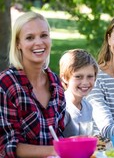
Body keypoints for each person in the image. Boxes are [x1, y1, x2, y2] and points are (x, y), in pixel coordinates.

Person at [0, 12, 66, 158]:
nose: (39, 42)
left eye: (44, 35)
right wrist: (56, 150)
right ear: (18, 44)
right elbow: (6, 146)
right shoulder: (6, 84)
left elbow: (60, 132)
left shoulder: (55, 83)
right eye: (30, 37)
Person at [59, 49, 98, 137]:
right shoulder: (62, 107)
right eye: (78, 77)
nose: (85, 82)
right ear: (65, 77)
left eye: (90, 76)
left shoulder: (88, 106)